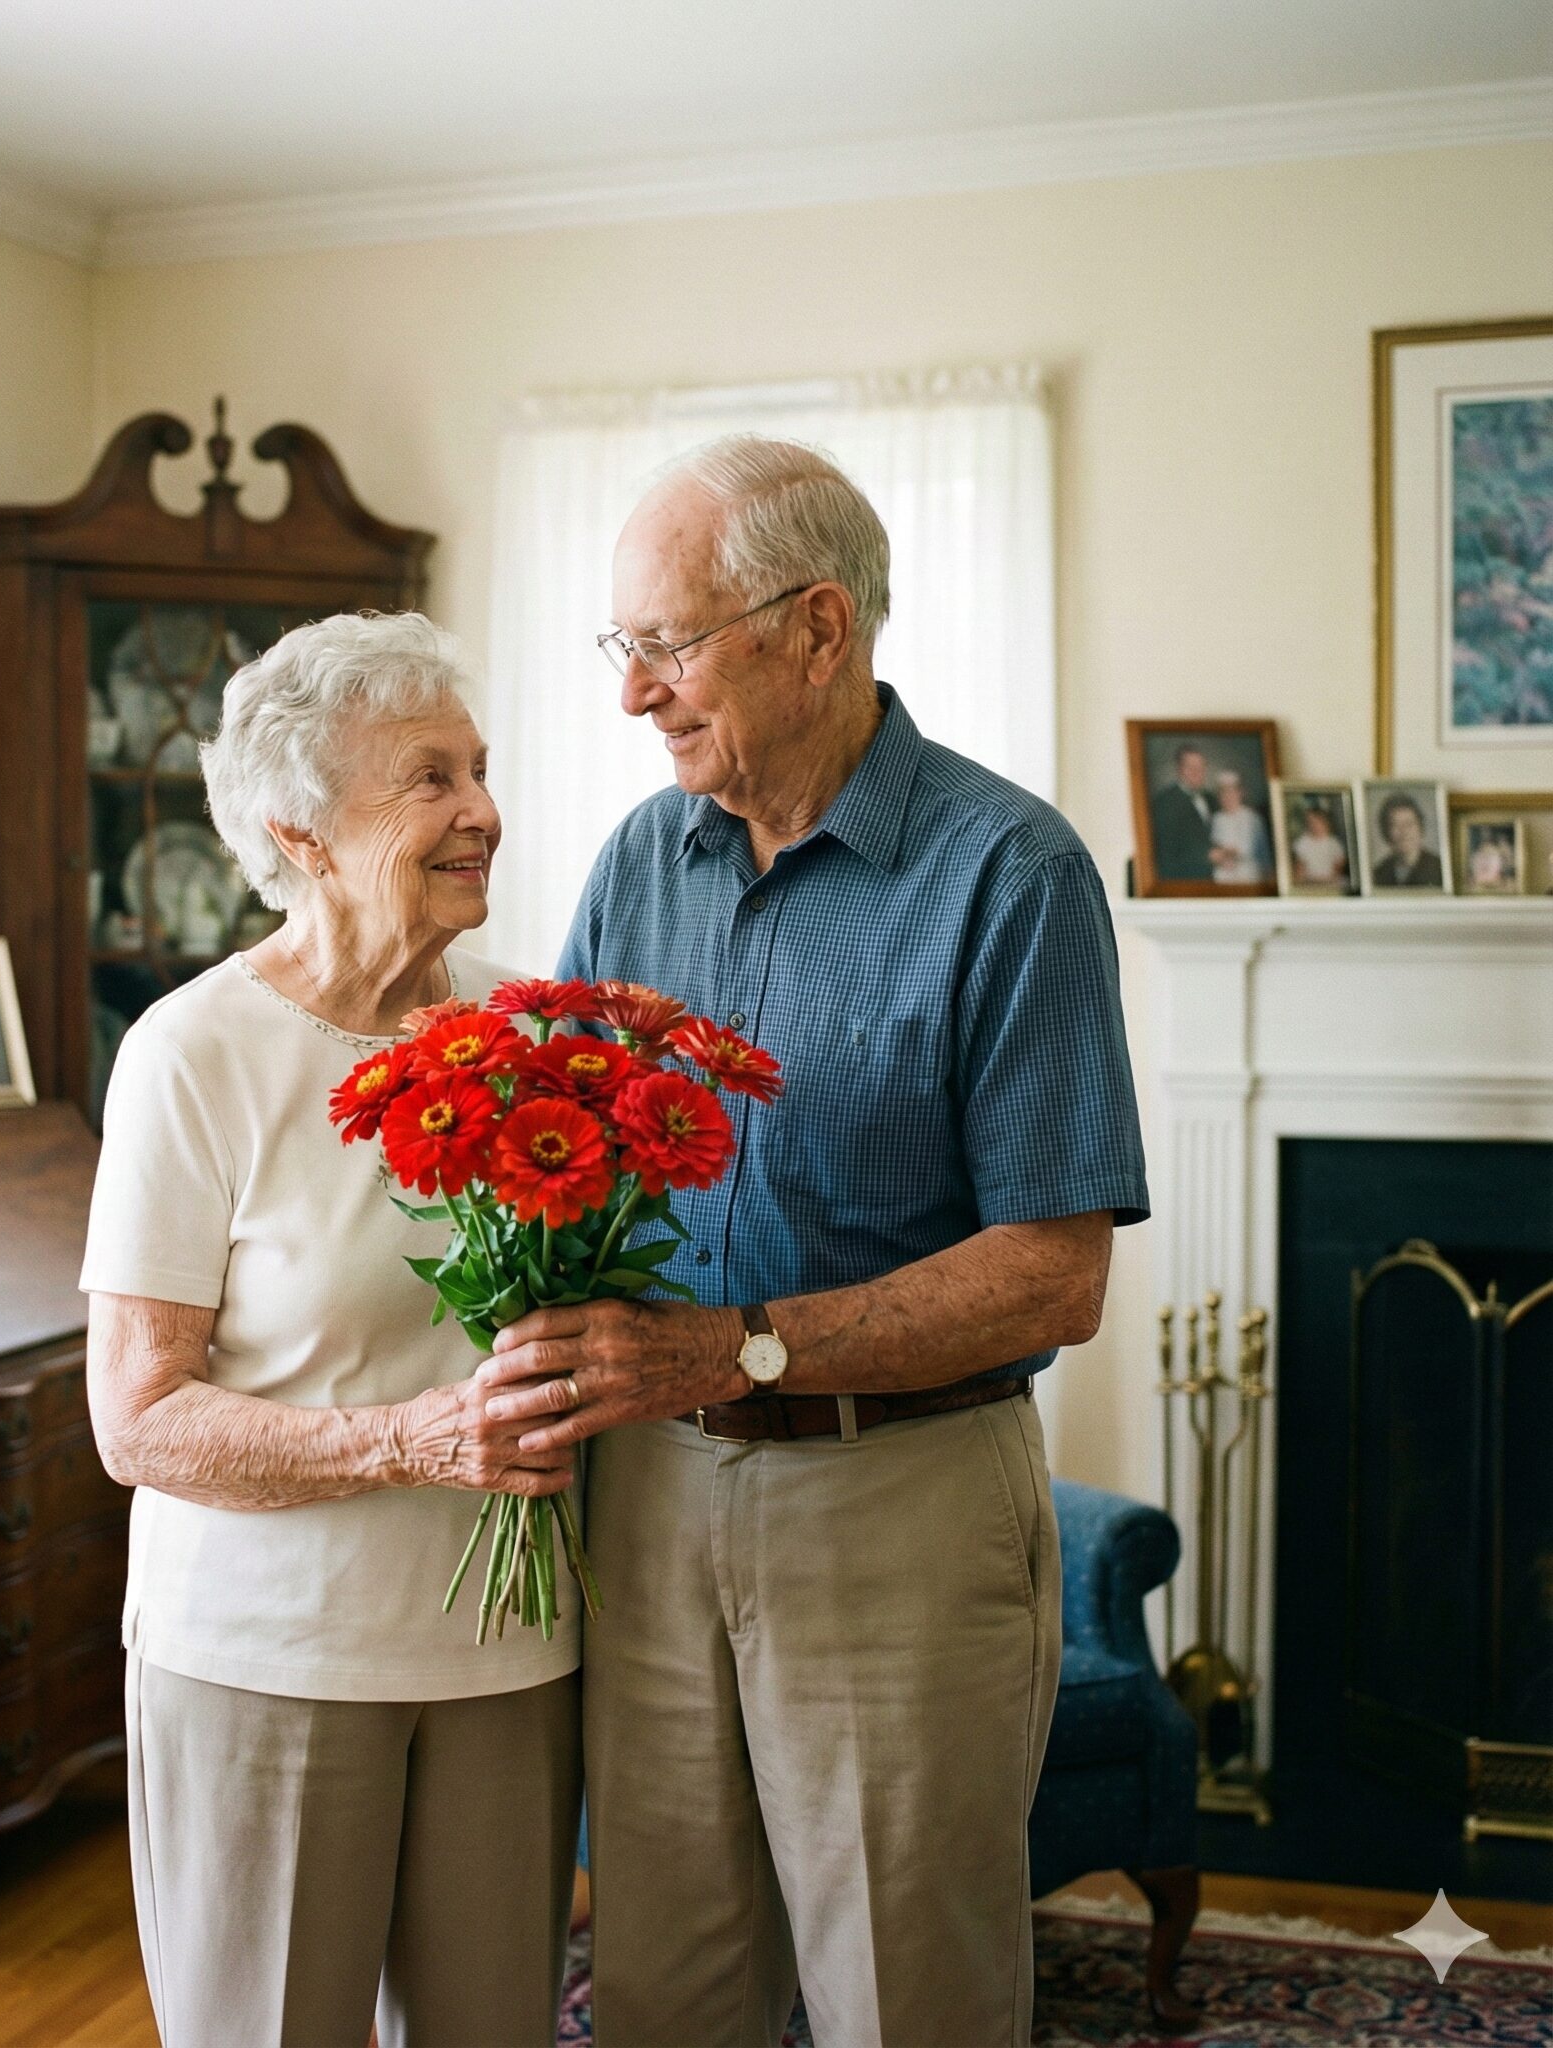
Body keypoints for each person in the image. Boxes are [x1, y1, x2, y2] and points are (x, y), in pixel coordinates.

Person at [477, 437, 1147, 2047]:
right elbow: (557, 1155)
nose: (634, 694)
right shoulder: (645, 857)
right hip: (649, 1502)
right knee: (659, 1989)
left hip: (898, 1507)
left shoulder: (1013, 872)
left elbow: (1056, 1271)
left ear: (818, 628)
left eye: (669, 643)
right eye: (620, 648)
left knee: (903, 1997)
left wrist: (739, 1343)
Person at [81, 612, 581, 2048]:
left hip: (506, 1655)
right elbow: (142, 1418)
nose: (482, 811)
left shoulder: (528, 1033)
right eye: (429, 779)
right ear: (300, 830)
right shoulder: (192, 1052)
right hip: (269, 1667)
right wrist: (417, 1439)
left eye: (479, 770)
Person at [1149, 741, 1214, 881]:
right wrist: (1206, 856)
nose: (1197, 772)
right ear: (1179, 769)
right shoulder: (1164, 802)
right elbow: (1165, 852)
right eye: (1190, 767)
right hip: (1181, 884)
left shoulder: (1211, 799)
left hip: (1213, 883)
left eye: (1201, 767)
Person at [1208, 768, 1271, 884]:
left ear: (1241, 793)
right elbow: (1213, 846)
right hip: (1222, 876)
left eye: (1232, 792)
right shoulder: (1216, 819)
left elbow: (1262, 855)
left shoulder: (1253, 818)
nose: (1228, 797)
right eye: (1223, 792)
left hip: (1249, 876)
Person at [1372, 791, 1444, 889]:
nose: (1404, 832)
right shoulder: (1378, 873)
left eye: (1409, 824)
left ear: (1420, 827)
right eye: (1395, 825)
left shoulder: (1439, 868)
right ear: (1386, 831)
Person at [1290, 801, 1349, 888]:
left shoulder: (1334, 843)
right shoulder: (1301, 843)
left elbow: (1338, 869)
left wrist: (1327, 881)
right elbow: (1299, 871)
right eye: (1310, 822)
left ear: (1325, 822)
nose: (1313, 825)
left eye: (1316, 821)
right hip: (1309, 883)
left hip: (1331, 882)